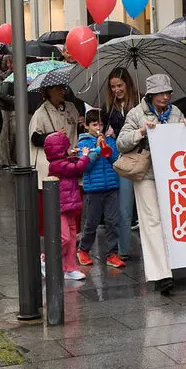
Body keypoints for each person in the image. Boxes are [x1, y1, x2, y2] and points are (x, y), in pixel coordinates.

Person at [117, 74, 186, 296]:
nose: (165, 97)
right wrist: (140, 132)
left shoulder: (175, 112)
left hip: (171, 175)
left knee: (172, 220)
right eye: (160, 93)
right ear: (150, 95)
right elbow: (121, 143)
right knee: (152, 222)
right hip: (147, 174)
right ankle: (161, 275)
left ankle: (171, 264)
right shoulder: (136, 114)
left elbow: (184, 140)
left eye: (167, 92)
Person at [29, 83, 81, 238]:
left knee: (71, 197)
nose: (62, 91)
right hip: (49, 164)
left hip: (70, 159)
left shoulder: (71, 107)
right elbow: (35, 138)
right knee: (50, 200)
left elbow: (76, 129)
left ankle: (73, 232)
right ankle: (50, 234)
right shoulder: (41, 113)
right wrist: (53, 135)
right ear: (49, 91)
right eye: (58, 88)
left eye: (63, 88)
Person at [76, 109, 126, 269]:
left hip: (111, 186)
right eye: (94, 124)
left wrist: (107, 145)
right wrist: (96, 150)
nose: (98, 127)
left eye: (101, 124)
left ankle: (112, 253)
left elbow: (116, 160)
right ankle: (83, 249)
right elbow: (85, 166)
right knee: (91, 222)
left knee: (113, 222)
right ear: (86, 126)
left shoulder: (109, 140)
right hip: (93, 189)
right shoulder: (83, 143)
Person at [44, 131, 91, 281]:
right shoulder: (58, 165)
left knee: (71, 238)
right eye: (66, 147)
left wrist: (74, 155)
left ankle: (70, 267)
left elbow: (71, 164)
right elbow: (76, 168)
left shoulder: (61, 161)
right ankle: (46, 259)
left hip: (69, 205)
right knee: (64, 237)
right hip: (61, 206)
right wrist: (84, 156)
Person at [102, 68, 139, 241]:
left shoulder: (139, 103)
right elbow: (102, 130)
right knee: (124, 204)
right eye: (113, 87)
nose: (117, 90)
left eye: (120, 85)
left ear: (128, 84)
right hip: (122, 157)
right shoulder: (108, 108)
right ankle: (123, 246)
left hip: (141, 155)